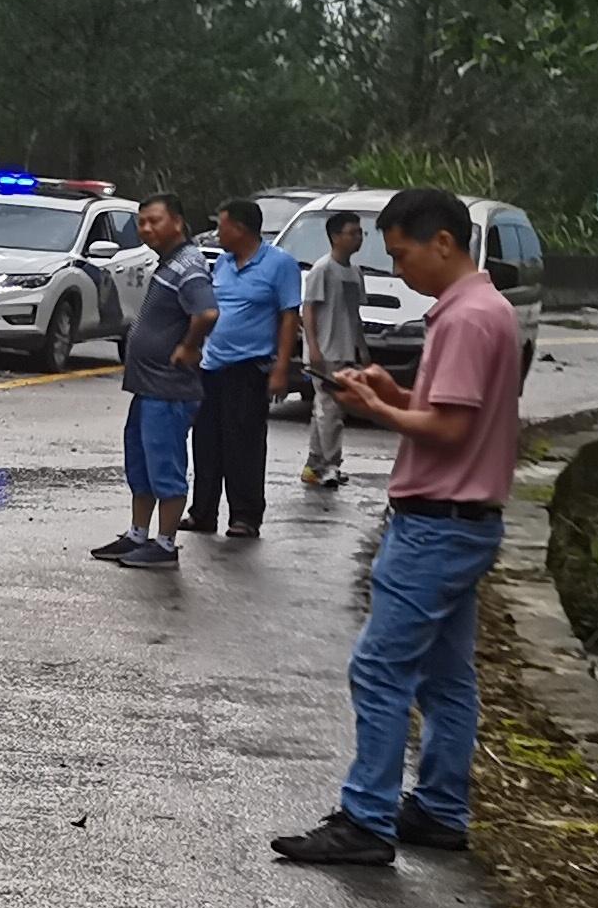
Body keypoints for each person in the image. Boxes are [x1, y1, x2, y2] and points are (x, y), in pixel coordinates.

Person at [278, 190, 530, 867]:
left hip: (437, 524)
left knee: (380, 668)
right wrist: (393, 394)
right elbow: (451, 408)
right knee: (445, 677)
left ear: (443, 242)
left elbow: (448, 430)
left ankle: (366, 819)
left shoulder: (468, 318)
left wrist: (372, 409)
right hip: (465, 520)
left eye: (402, 253)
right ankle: (441, 808)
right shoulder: (484, 310)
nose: (400, 270)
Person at [94, 196, 210, 571]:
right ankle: (137, 535)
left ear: (177, 222)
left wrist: (189, 347)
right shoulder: (169, 263)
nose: (146, 228)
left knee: (165, 467)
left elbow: (207, 311)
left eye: (154, 221)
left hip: (168, 390)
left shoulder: (190, 265)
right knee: (141, 465)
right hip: (147, 388)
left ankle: (165, 544)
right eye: (141, 222)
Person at [189, 196, 300, 540]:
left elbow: (288, 317)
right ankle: (202, 513)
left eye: (221, 226)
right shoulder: (221, 264)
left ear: (239, 228)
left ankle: (246, 516)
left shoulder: (280, 264)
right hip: (212, 366)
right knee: (206, 442)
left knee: (244, 444)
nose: (217, 233)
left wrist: (281, 368)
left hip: (249, 368)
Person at [298, 208, 369, 489]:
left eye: (360, 233)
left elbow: (355, 314)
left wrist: (362, 349)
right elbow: (309, 310)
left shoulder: (355, 273)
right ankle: (330, 464)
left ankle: (315, 463)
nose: (358, 238)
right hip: (325, 352)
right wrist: (313, 349)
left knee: (326, 409)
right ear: (335, 237)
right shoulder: (322, 270)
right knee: (331, 411)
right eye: (352, 233)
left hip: (346, 351)